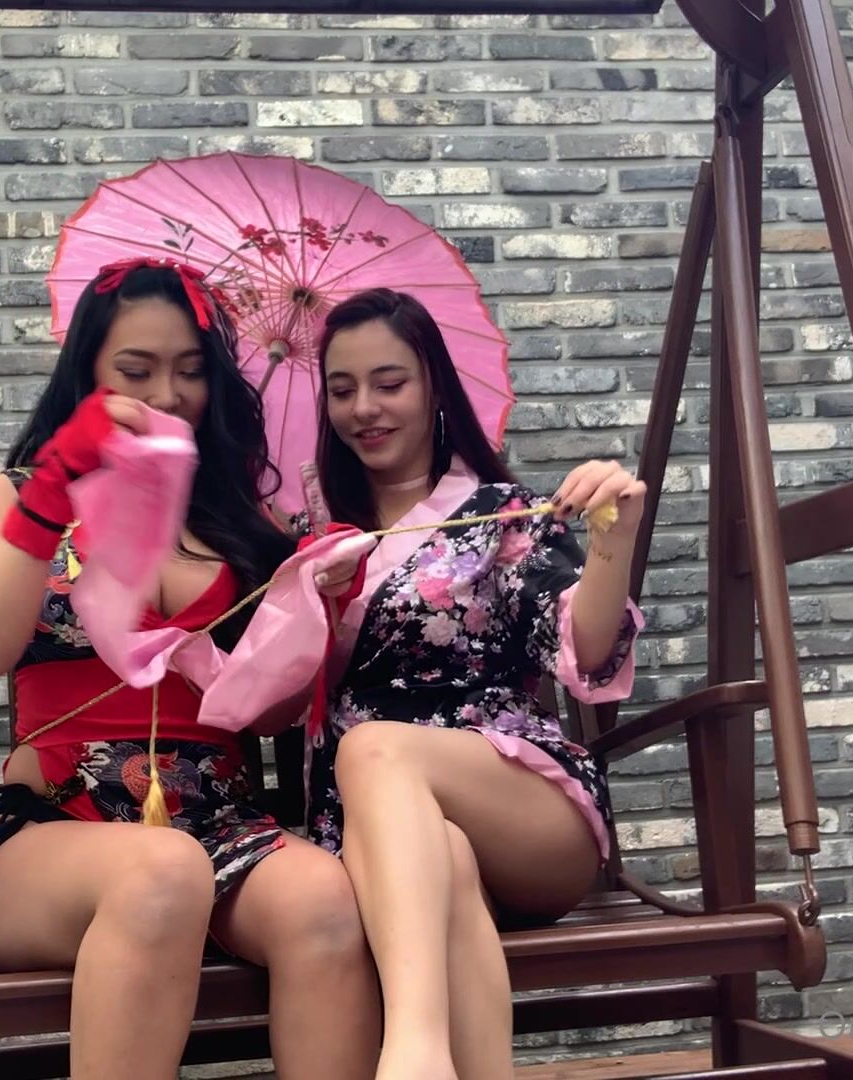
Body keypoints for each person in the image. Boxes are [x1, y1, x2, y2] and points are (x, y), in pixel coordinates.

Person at [0, 259, 381, 1080]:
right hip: (52, 832)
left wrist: (313, 606)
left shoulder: (239, 517)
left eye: (189, 371)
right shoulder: (20, 494)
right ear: (88, 373)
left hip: (218, 824)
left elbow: (265, 715)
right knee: (162, 871)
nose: (168, 394)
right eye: (136, 370)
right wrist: (57, 485)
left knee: (327, 899)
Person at [303, 287, 647, 1080]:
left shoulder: (501, 515)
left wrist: (613, 540)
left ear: (434, 386)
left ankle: (414, 1052)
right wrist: (305, 604)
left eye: (389, 382)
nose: (364, 408)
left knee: (375, 750)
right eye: (343, 389)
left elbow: (585, 650)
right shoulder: (313, 537)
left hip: (522, 812)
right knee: (444, 860)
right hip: (386, 838)